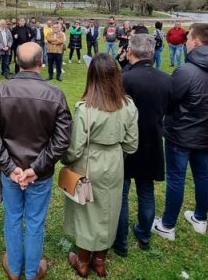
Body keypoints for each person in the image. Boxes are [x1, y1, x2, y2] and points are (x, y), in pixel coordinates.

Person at [0, 42, 71, 280]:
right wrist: (12, 168)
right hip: (18, 170)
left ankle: (26, 270)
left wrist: (33, 169)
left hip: (34, 172)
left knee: (18, 218)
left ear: (17, 62)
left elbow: (61, 139)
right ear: (41, 63)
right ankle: (19, 269)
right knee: (28, 220)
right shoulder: (2, 91)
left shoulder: (51, 94)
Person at [153, 23, 208, 240]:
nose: (186, 41)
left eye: (188, 38)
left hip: (182, 134)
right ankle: (200, 218)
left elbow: (169, 100)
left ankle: (168, 225)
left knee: (177, 178)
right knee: (202, 174)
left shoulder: (187, 71)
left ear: (197, 42)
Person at [63, 53, 138, 278]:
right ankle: (99, 260)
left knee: (87, 212)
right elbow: (132, 144)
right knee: (109, 210)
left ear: (91, 77)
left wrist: (66, 160)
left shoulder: (85, 108)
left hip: (89, 161)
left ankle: (84, 261)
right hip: (114, 161)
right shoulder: (128, 105)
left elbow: (74, 147)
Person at [113, 35, 171, 257]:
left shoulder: (124, 79)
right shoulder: (165, 80)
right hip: (151, 142)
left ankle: (122, 240)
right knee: (145, 191)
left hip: (128, 143)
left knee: (124, 193)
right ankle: (142, 235)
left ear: (130, 52)